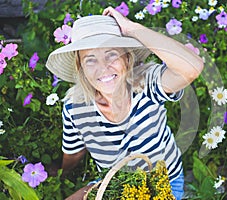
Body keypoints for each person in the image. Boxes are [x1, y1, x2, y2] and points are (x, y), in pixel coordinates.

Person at [46, 6, 203, 200]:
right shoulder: (75, 105)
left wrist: (132, 29)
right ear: (81, 68)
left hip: (162, 185)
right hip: (115, 185)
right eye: (90, 60)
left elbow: (192, 68)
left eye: (111, 54)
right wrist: (63, 175)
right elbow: (74, 152)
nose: (103, 68)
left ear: (127, 58)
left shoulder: (146, 84)